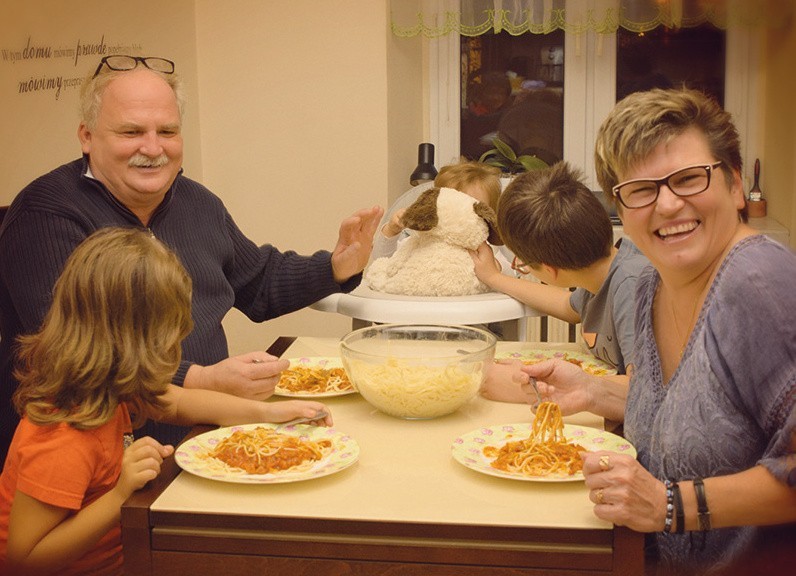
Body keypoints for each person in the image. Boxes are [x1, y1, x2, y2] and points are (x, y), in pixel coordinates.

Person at [0, 55, 382, 465]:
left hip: (207, 436)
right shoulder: (44, 214)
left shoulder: (197, 202)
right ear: (87, 136)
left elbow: (257, 283)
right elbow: (75, 353)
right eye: (131, 131)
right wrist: (201, 377)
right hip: (99, 461)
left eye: (167, 131)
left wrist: (336, 267)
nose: (153, 147)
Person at [521, 88, 796, 575]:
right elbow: (702, 416)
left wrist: (670, 505)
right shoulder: (651, 283)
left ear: (734, 185)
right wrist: (593, 389)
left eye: (689, 178)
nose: (667, 205)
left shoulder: (758, 283)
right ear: (621, 209)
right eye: (641, 190)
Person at [0, 227, 333, 576]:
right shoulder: (64, 435)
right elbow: (24, 559)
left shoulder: (112, 385)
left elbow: (177, 403)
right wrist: (118, 496)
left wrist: (267, 413)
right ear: (131, 341)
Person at [471, 161, 650, 403]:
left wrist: (529, 387)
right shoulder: (599, 273)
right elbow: (567, 306)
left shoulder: (631, 285)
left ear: (549, 270)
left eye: (522, 264)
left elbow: (642, 390)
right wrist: (494, 278)